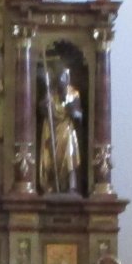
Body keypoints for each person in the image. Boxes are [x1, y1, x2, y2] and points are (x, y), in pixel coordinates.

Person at [39, 61, 85, 194]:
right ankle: (52, 185)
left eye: (64, 77)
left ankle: (71, 186)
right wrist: (45, 105)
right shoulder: (51, 94)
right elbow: (41, 111)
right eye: (60, 78)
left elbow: (79, 115)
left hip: (67, 129)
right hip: (52, 129)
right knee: (52, 158)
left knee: (70, 156)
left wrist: (73, 111)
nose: (62, 81)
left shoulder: (74, 94)